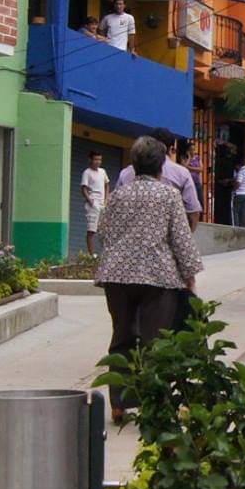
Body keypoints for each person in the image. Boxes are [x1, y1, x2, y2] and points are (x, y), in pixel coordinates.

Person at [95, 136, 203, 421]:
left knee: (122, 338)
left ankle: (119, 404)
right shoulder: (168, 195)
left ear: (134, 163)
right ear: (162, 164)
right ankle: (153, 405)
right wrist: (190, 275)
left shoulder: (118, 194)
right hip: (158, 277)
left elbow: (103, 232)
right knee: (156, 342)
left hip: (117, 277)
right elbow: (181, 239)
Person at [115, 128, 201, 219]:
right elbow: (193, 212)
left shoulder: (126, 172)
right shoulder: (181, 175)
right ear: (171, 149)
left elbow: (115, 205)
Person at [79, 151, 109, 255]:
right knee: (91, 230)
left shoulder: (102, 171)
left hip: (102, 203)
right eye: (96, 159)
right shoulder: (87, 172)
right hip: (93, 204)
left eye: (100, 159)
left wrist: (106, 199)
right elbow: (83, 189)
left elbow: (106, 184)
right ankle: (92, 255)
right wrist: (90, 201)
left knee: (105, 229)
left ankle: (105, 253)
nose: (98, 162)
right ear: (90, 160)